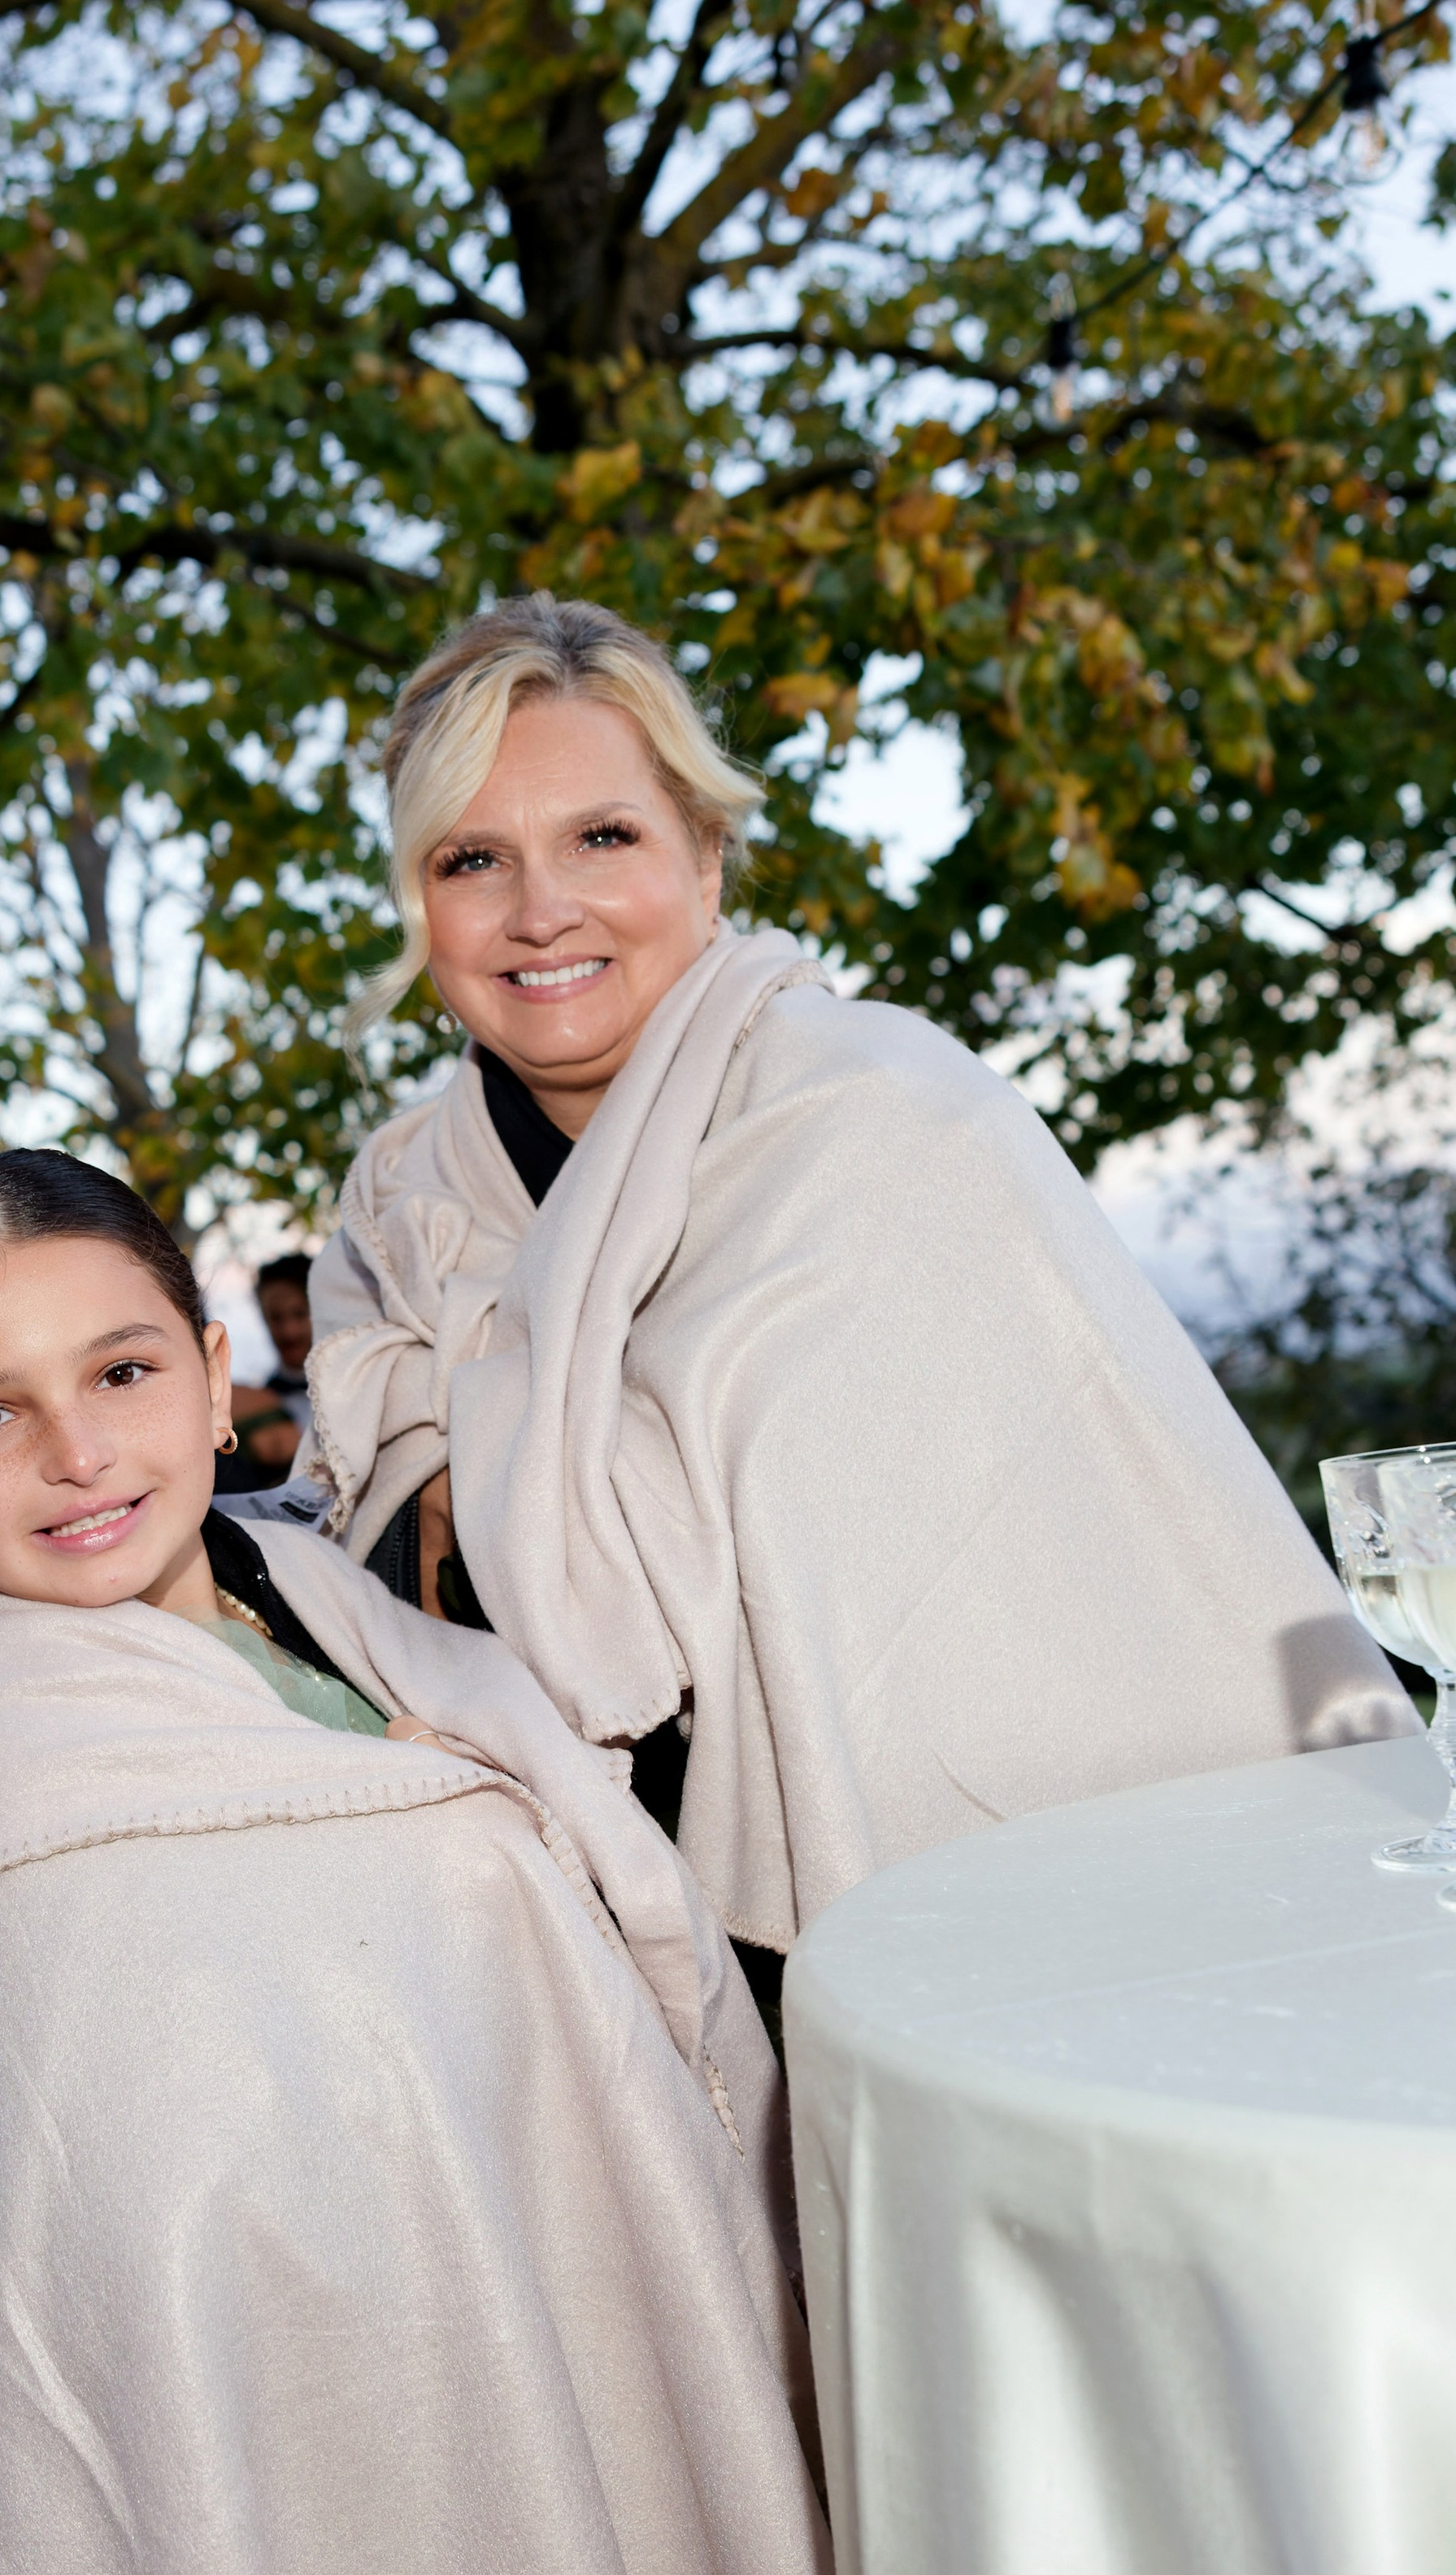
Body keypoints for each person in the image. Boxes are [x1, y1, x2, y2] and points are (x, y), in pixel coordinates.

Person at [0, 1148, 901, 2575]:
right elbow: (152, 2272)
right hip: (366, 2534)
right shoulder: (29, 1816)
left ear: (213, 1364)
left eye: (123, 1371)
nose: (77, 1452)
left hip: (595, 2362)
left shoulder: (305, 1586)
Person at [306, 595, 1411, 2015]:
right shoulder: (400, 1195)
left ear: (705, 861)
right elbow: (381, 1563)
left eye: (602, 836)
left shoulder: (881, 1112)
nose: (540, 910)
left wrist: (490, 1464)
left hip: (967, 1899)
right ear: (422, 902)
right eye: (474, 858)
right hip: (568, 1949)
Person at [212, 1249, 315, 1489]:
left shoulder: (352, 1385)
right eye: (276, 1318)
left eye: (300, 1314)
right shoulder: (261, 1397)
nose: (289, 1331)